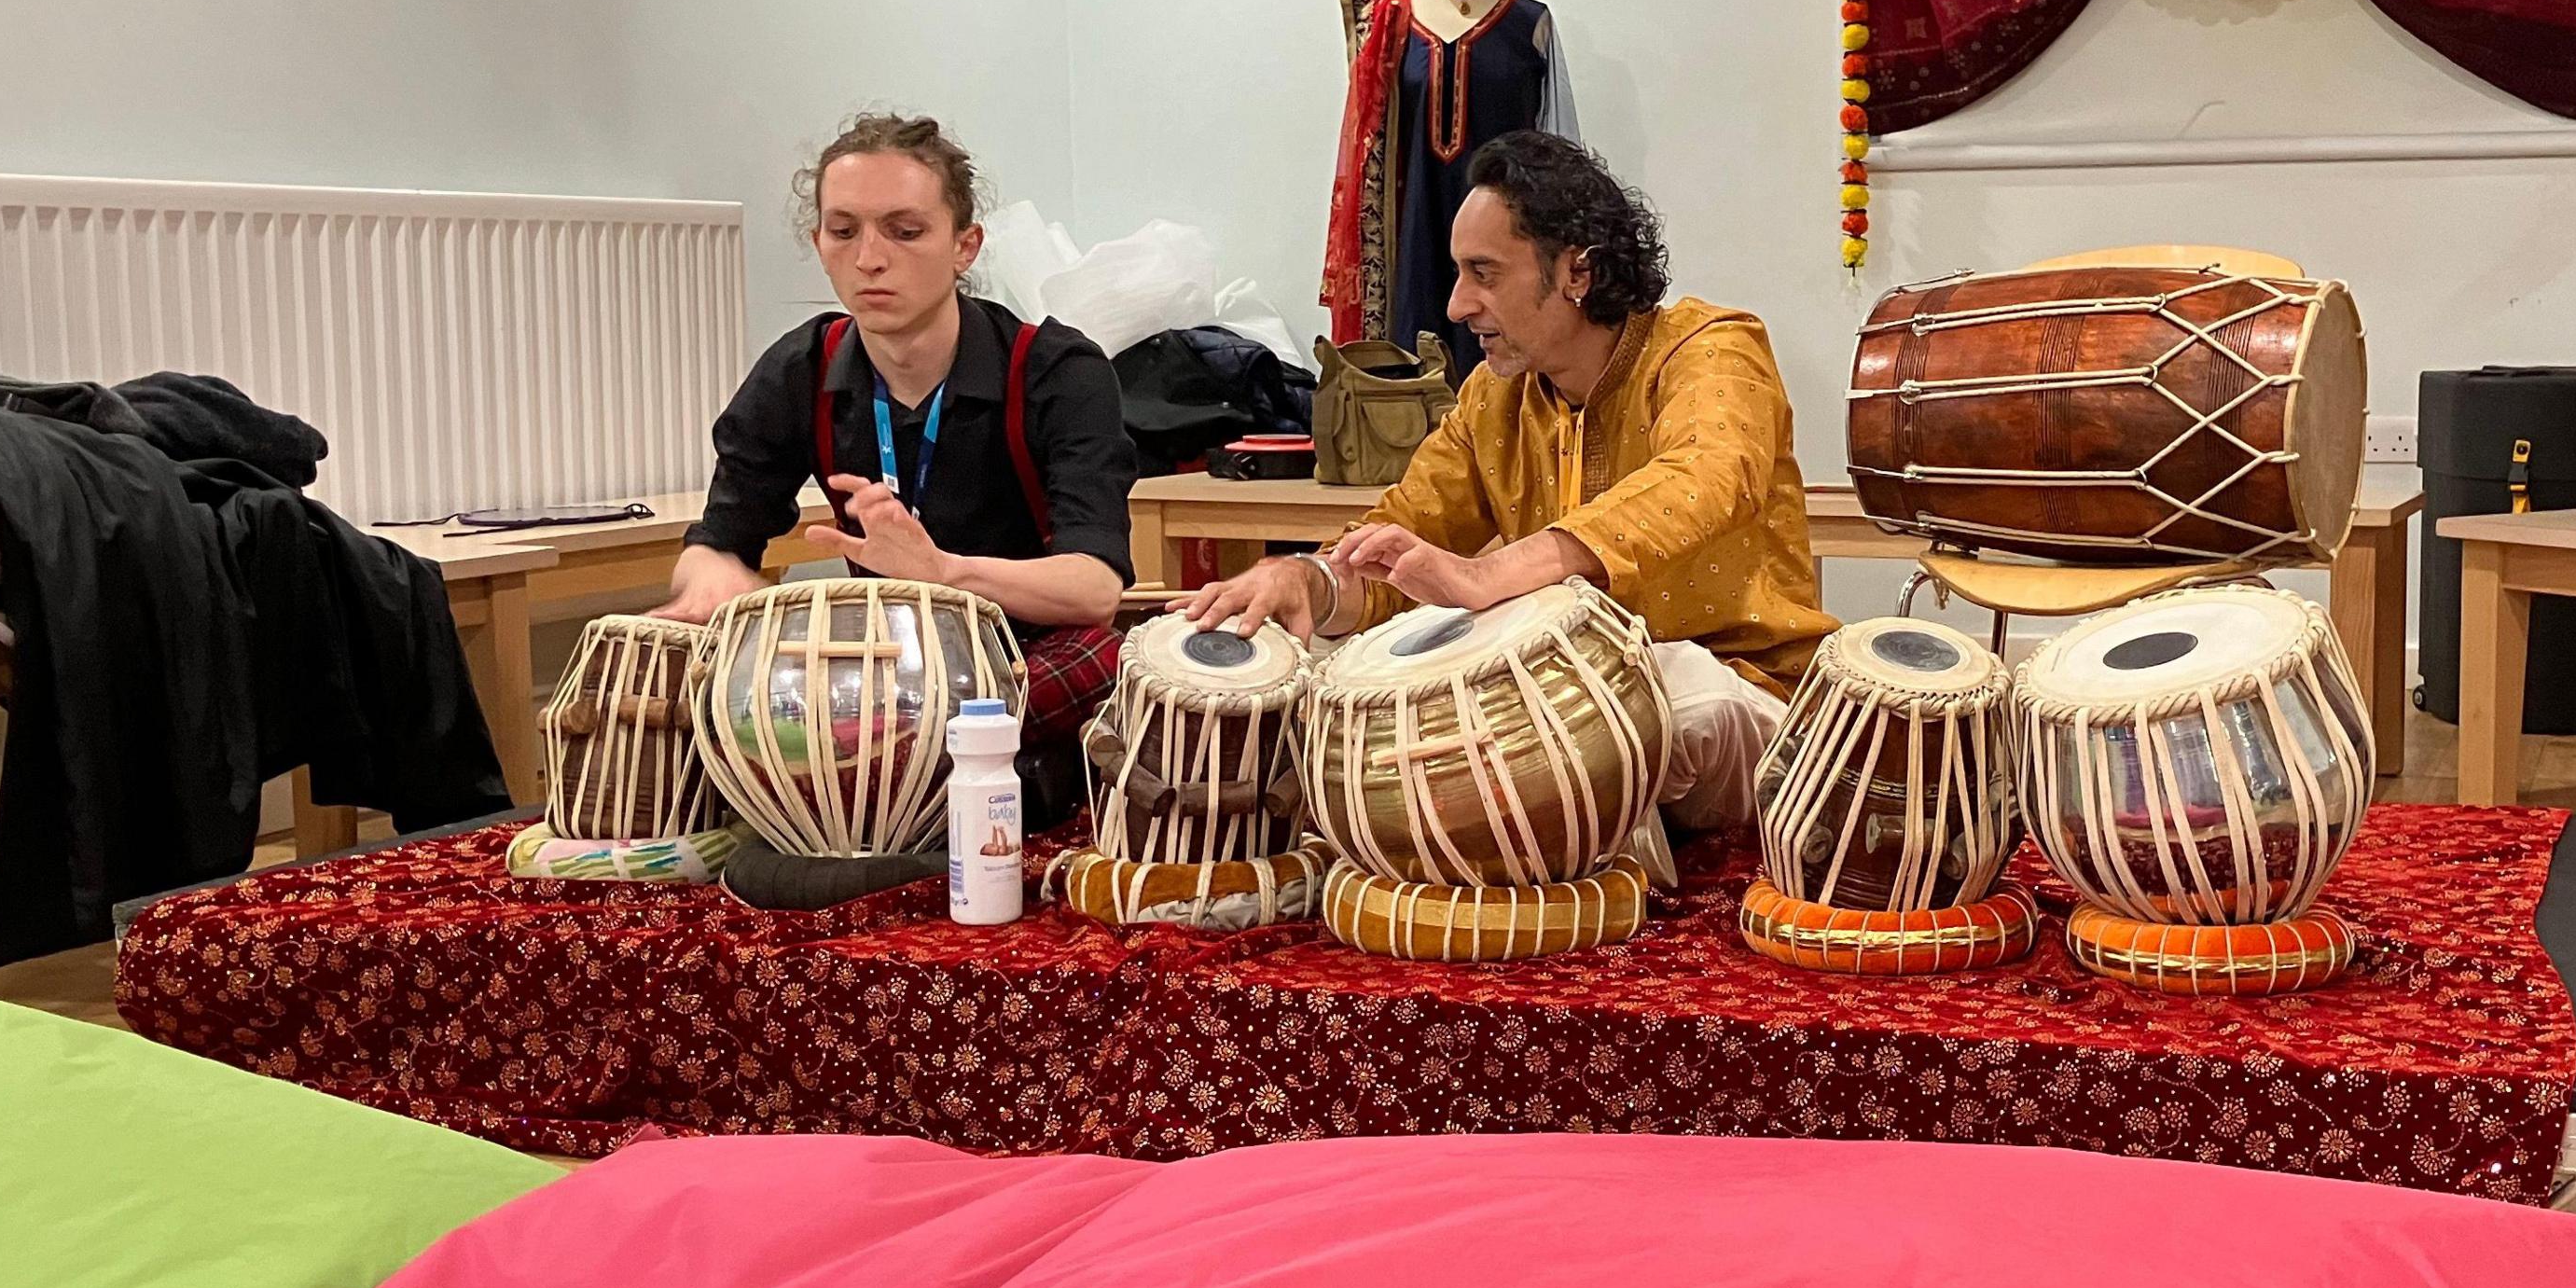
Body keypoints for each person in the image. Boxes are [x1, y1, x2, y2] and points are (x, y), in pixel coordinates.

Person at [1183, 131, 1833, 831]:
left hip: (1745, 692)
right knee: (1339, 669)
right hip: (1565, 692)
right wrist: (1307, 581)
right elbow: (1404, 537)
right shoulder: (1496, 400)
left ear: (1577, 273)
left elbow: (1706, 476)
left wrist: (1496, 574)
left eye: (1484, 274)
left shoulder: (1710, 348)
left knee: (1671, 698)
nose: (1458, 305)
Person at [660, 113, 1138, 815]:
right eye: (843, 231)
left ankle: (872, 787)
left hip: (1022, 649)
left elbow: (1094, 589)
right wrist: (713, 587)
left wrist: (941, 573)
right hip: (880, 664)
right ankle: (868, 786)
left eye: (905, 231)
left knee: (1104, 662)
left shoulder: (1055, 370)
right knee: (716, 691)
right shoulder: (800, 369)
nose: (870, 258)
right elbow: (717, 543)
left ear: (964, 246)